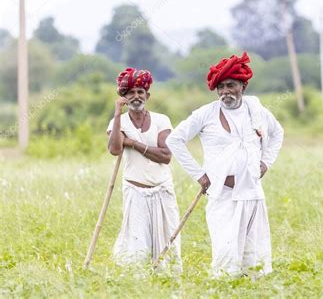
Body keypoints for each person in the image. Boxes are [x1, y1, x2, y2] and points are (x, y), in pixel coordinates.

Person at [166, 52, 284, 277]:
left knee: (256, 262)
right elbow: (174, 139)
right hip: (223, 197)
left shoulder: (255, 109)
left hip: (253, 195)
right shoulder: (206, 114)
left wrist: (266, 162)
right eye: (220, 87)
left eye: (231, 85)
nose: (225, 92)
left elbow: (278, 133)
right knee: (225, 260)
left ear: (244, 86)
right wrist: (199, 175)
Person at [107, 67, 181, 273]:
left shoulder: (161, 120)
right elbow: (114, 149)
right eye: (131, 92)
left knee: (168, 242)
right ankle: (138, 284)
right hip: (135, 190)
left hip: (162, 189)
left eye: (140, 92)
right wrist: (117, 114)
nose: (136, 96)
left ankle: (167, 282)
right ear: (124, 96)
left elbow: (165, 156)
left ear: (147, 95)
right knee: (136, 245)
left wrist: (133, 143)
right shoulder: (117, 122)